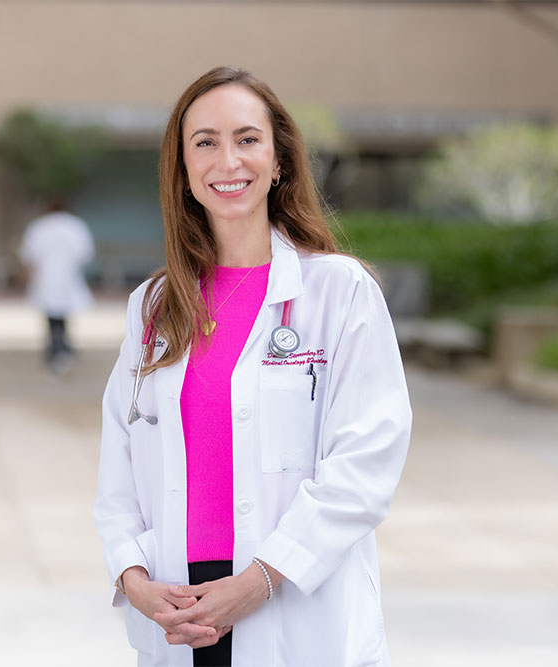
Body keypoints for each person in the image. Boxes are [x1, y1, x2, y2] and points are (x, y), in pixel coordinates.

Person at [94, 67, 412, 666]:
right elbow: (120, 465)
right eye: (205, 143)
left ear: (279, 160)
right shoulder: (155, 306)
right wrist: (130, 574)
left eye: (247, 139)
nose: (228, 161)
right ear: (184, 172)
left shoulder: (337, 292)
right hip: (179, 611)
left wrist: (259, 581)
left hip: (291, 596)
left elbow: (366, 461)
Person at [17, 200, 95, 372]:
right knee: (63, 314)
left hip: (45, 278)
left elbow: (29, 254)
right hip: (69, 275)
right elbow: (85, 253)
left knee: (52, 315)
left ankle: (57, 349)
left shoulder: (39, 226)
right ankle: (62, 348)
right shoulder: (75, 226)